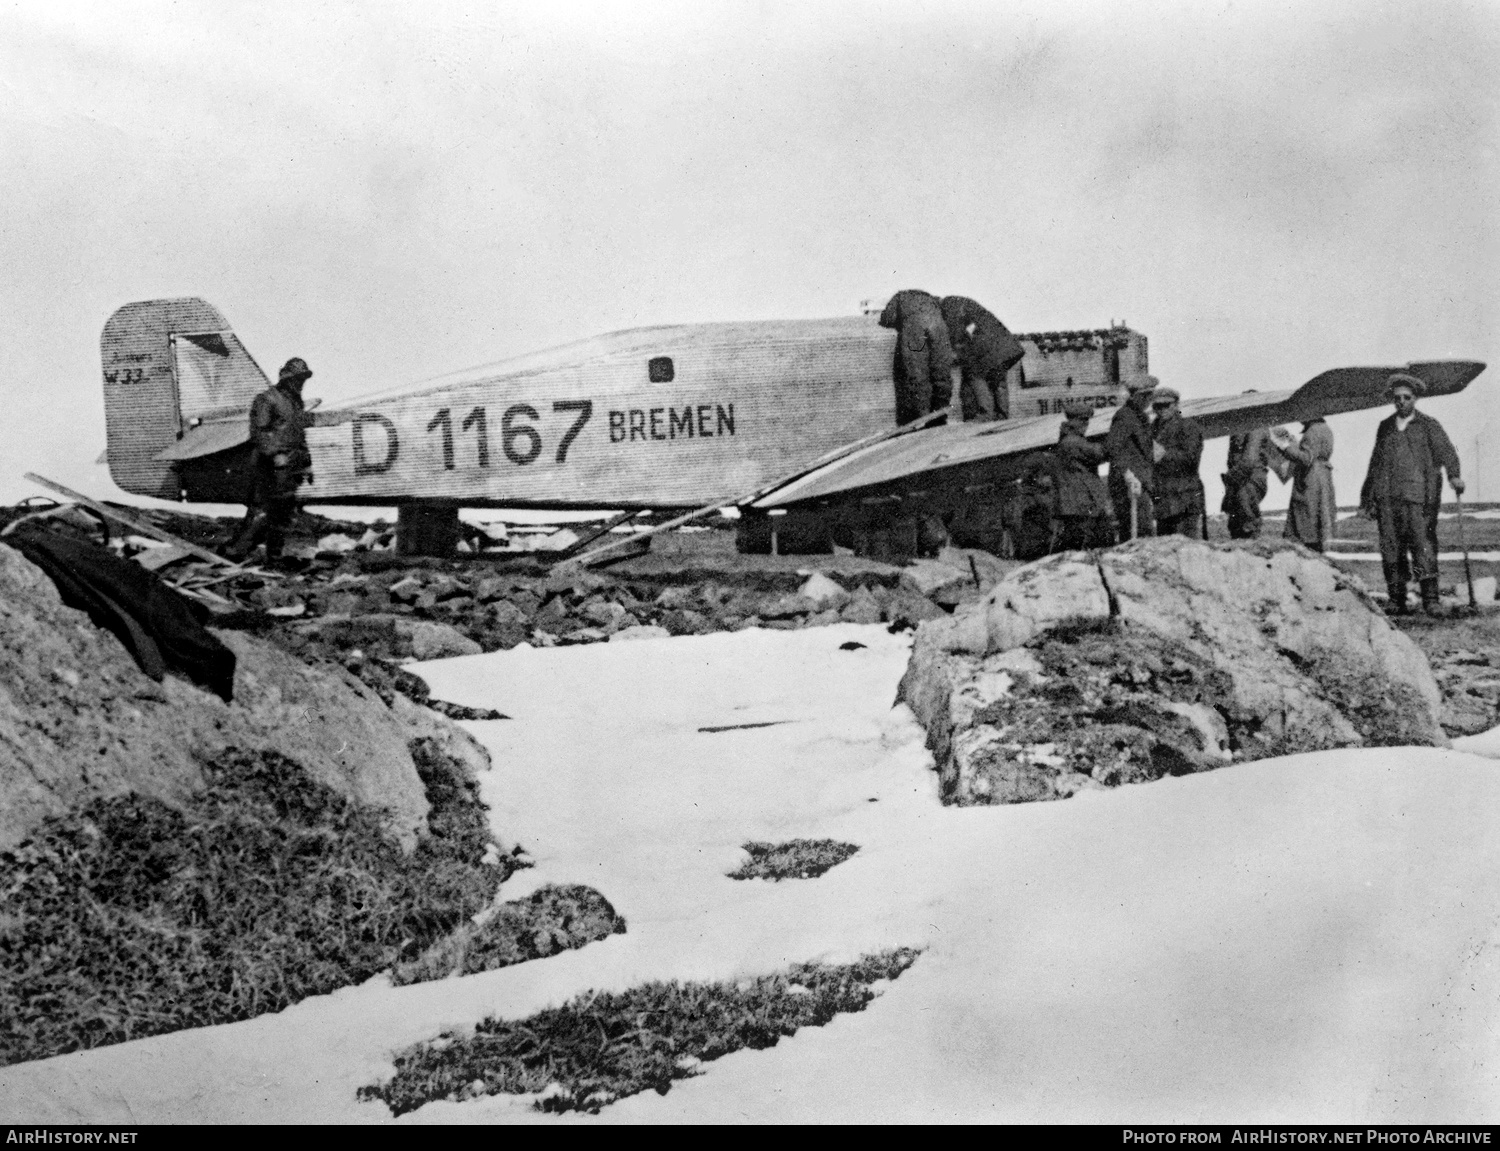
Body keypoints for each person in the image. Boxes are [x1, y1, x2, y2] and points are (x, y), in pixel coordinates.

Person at [1358, 372, 1463, 615]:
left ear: (1415, 398)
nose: (1401, 401)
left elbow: (1448, 453)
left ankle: (1431, 600)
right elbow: (1375, 464)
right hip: (1387, 499)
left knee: (1423, 547)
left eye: (1406, 397)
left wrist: (1454, 476)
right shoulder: (1385, 427)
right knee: (1391, 549)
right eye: (1397, 398)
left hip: (1419, 499)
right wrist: (1367, 498)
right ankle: (1397, 599)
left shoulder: (1429, 425)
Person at [225, 357, 315, 564]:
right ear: (286, 378)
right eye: (297, 378)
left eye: (303, 378)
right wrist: (275, 454)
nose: (301, 382)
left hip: (291, 466)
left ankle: (274, 557)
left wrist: (307, 463)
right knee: (262, 512)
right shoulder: (266, 399)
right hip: (269, 467)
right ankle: (236, 553)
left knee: (282, 515)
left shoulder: (295, 403)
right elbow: (259, 432)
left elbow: (299, 436)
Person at [939, 295, 1024, 422]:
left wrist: (952, 352)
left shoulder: (948, 304)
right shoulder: (963, 303)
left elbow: (956, 332)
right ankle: (1002, 415)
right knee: (997, 379)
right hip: (1008, 347)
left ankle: (985, 414)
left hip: (990, 347)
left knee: (975, 374)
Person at [878, 290, 955, 425]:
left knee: (916, 373)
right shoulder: (932, 300)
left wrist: (900, 324)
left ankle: (919, 417)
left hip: (915, 328)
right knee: (941, 372)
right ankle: (940, 416)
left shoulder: (899, 296)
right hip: (938, 326)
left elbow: (887, 319)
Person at [1048, 403, 1112, 550]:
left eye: (1087, 421)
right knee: (1089, 542)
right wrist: (1114, 439)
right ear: (1072, 421)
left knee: (1079, 542)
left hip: (1077, 504)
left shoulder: (1068, 439)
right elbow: (1099, 453)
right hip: (1081, 504)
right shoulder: (1073, 441)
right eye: (1082, 420)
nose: (1086, 424)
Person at [1106, 376, 1162, 542]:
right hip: (1128, 484)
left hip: (1139, 482)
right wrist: (1127, 474)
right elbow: (1113, 447)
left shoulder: (1140, 417)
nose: (1148, 401)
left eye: (1150, 397)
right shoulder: (1125, 416)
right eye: (1146, 397)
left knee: (1142, 531)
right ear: (1136, 396)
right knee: (1138, 532)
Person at [1270, 416, 1336, 553]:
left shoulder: (1312, 430)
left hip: (1310, 480)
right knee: (1316, 528)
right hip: (1321, 478)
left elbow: (1306, 458)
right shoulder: (1325, 428)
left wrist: (1285, 446)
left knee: (1304, 528)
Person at [1150, 388, 1206, 538]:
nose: (1162, 410)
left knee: (1186, 549)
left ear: (1176, 405)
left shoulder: (1188, 426)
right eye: (1157, 406)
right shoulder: (1152, 429)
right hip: (1163, 500)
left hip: (1184, 499)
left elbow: (1192, 458)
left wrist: (1164, 454)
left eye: (1166, 405)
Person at [1222, 399, 1272, 539]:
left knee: (1247, 522)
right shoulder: (1242, 427)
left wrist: (1230, 477)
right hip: (1241, 479)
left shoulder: (1256, 427)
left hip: (1248, 479)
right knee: (1237, 522)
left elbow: (1249, 461)